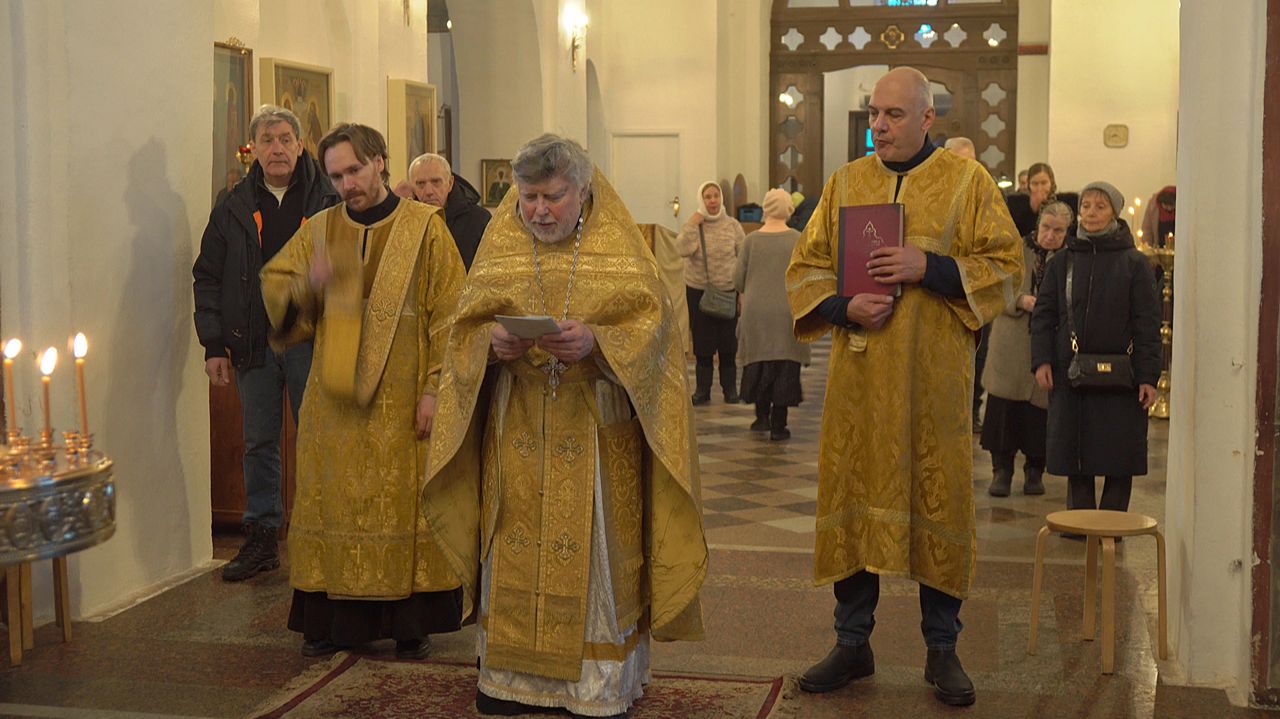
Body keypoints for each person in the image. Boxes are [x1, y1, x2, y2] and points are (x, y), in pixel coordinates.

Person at [423, 133, 707, 718]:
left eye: (552, 197)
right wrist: (489, 344)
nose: (539, 211)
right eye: (528, 198)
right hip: (517, 425)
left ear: (582, 191)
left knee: (592, 554)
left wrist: (599, 341)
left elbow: (656, 334)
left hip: (594, 430)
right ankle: (509, 678)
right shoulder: (503, 245)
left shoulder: (620, 247)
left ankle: (593, 685)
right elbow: (462, 330)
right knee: (511, 545)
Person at [786, 66, 1021, 707]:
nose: (880, 126)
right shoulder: (845, 183)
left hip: (933, 383)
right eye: (874, 115)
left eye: (893, 115)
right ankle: (852, 642)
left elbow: (1006, 266)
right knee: (855, 493)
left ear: (927, 119)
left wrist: (932, 267)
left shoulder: (967, 183)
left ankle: (942, 649)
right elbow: (804, 267)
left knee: (937, 497)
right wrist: (844, 307)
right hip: (859, 381)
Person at [259, 123, 467, 659]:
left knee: (403, 507)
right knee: (333, 508)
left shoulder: (425, 229)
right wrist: (309, 284)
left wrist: (435, 392)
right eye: (335, 175)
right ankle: (329, 622)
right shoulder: (322, 229)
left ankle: (408, 623)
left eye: (354, 170)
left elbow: (451, 316)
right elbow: (280, 304)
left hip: (404, 405)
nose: (347, 184)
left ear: (380, 162)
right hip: (334, 405)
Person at [192, 105, 338, 582]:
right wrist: (214, 344)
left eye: (284, 138)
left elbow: (359, 267)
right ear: (254, 149)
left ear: (300, 145)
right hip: (253, 342)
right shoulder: (232, 204)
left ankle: (325, 535)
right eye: (267, 140)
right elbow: (208, 276)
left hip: (312, 340)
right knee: (259, 443)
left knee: (318, 438)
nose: (276, 148)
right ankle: (261, 538)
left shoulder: (328, 199)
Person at [1031, 181, 1161, 517]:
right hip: (1072, 371)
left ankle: (1114, 523)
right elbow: (1044, 315)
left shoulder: (1134, 264)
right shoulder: (1063, 261)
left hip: (1123, 375)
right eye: (1086, 205)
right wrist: (1041, 359)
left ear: (1114, 214)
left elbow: (1147, 324)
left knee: (1120, 454)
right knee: (1077, 454)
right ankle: (1081, 521)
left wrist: (1148, 376)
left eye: (1100, 207)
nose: (1090, 213)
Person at [981, 201, 1073, 497]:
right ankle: (1002, 471)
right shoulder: (1015, 249)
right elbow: (995, 285)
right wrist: (1020, 301)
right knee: (1004, 410)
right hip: (1012, 336)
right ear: (1038, 226)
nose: (1050, 235)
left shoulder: (1071, 258)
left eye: (1058, 230)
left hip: (1048, 341)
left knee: (1040, 412)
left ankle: (1035, 470)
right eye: (1046, 228)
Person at [734, 188, 810, 441]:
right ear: (789, 209)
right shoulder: (797, 239)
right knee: (785, 365)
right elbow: (805, 277)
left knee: (760, 362)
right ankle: (779, 425)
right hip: (786, 310)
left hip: (756, 312)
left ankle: (761, 418)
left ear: (765, 208)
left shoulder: (750, 241)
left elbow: (738, 280)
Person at [678, 181, 746, 405]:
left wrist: (742, 292)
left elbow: (743, 258)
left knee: (728, 345)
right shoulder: (695, 225)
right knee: (703, 345)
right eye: (707, 197)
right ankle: (702, 391)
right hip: (699, 291)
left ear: (721, 198)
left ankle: (730, 391)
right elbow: (682, 249)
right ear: (702, 200)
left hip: (728, 290)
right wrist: (690, 223)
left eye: (715, 196)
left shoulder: (733, 226)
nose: (712, 201)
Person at [408, 152, 492, 270]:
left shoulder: (479, 220)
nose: (428, 191)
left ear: (450, 183)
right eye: (420, 184)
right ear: (412, 188)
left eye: (436, 182)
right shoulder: (407, 223)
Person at [1006, 162, 1078, 237]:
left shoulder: (1068, 201)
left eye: (1044, 183)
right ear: (1029, 185)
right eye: (1035, 184)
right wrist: (1033, 209)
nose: (1039, 188)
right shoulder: (1017, 205)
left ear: (1051, 183)